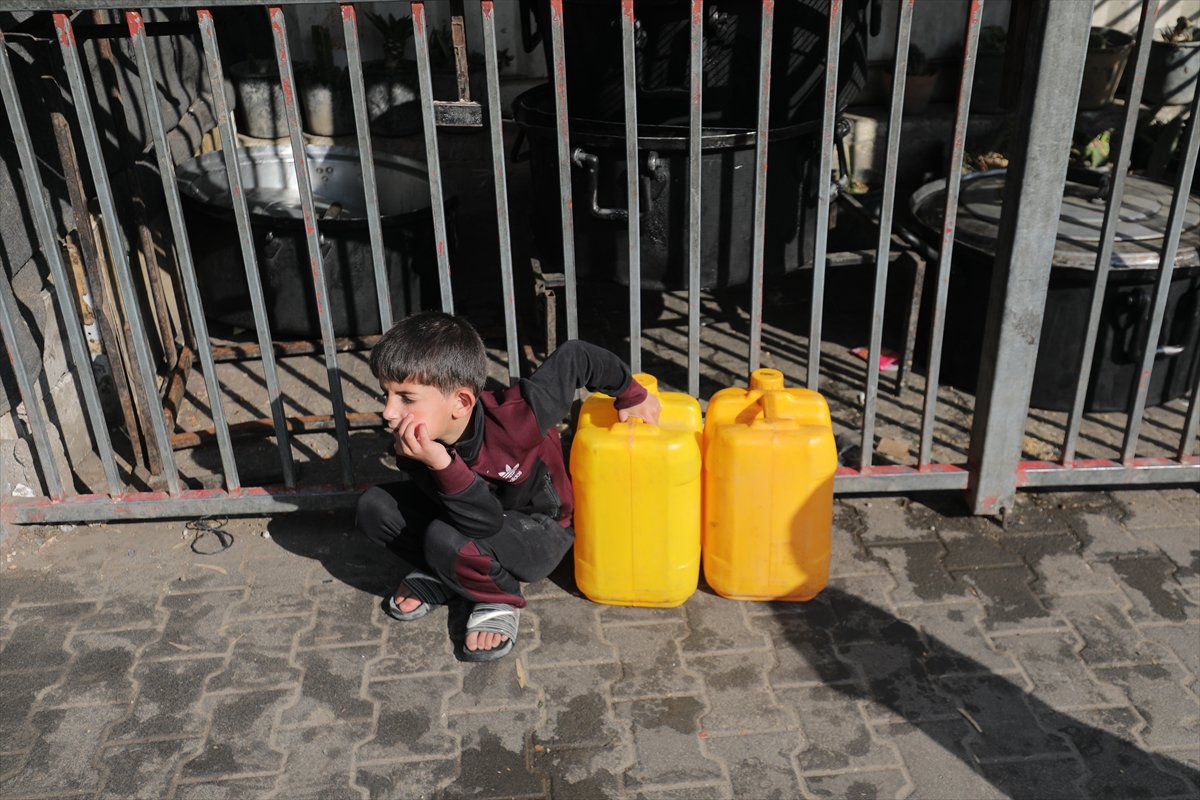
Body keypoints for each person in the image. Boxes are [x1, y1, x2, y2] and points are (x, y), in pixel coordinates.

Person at [356, 311, 661, 661]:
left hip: (539, 529)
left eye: (406, 398)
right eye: (387, 395)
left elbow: (578, 356)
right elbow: (468, 515)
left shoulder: (518, 416)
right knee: (374, 508)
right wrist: (431, 464)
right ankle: (447, 574)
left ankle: (496, 595)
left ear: (461, 402)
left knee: (447, 538)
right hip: (473, 520)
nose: (389, 412)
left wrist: (631, 393)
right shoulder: (412, 444)